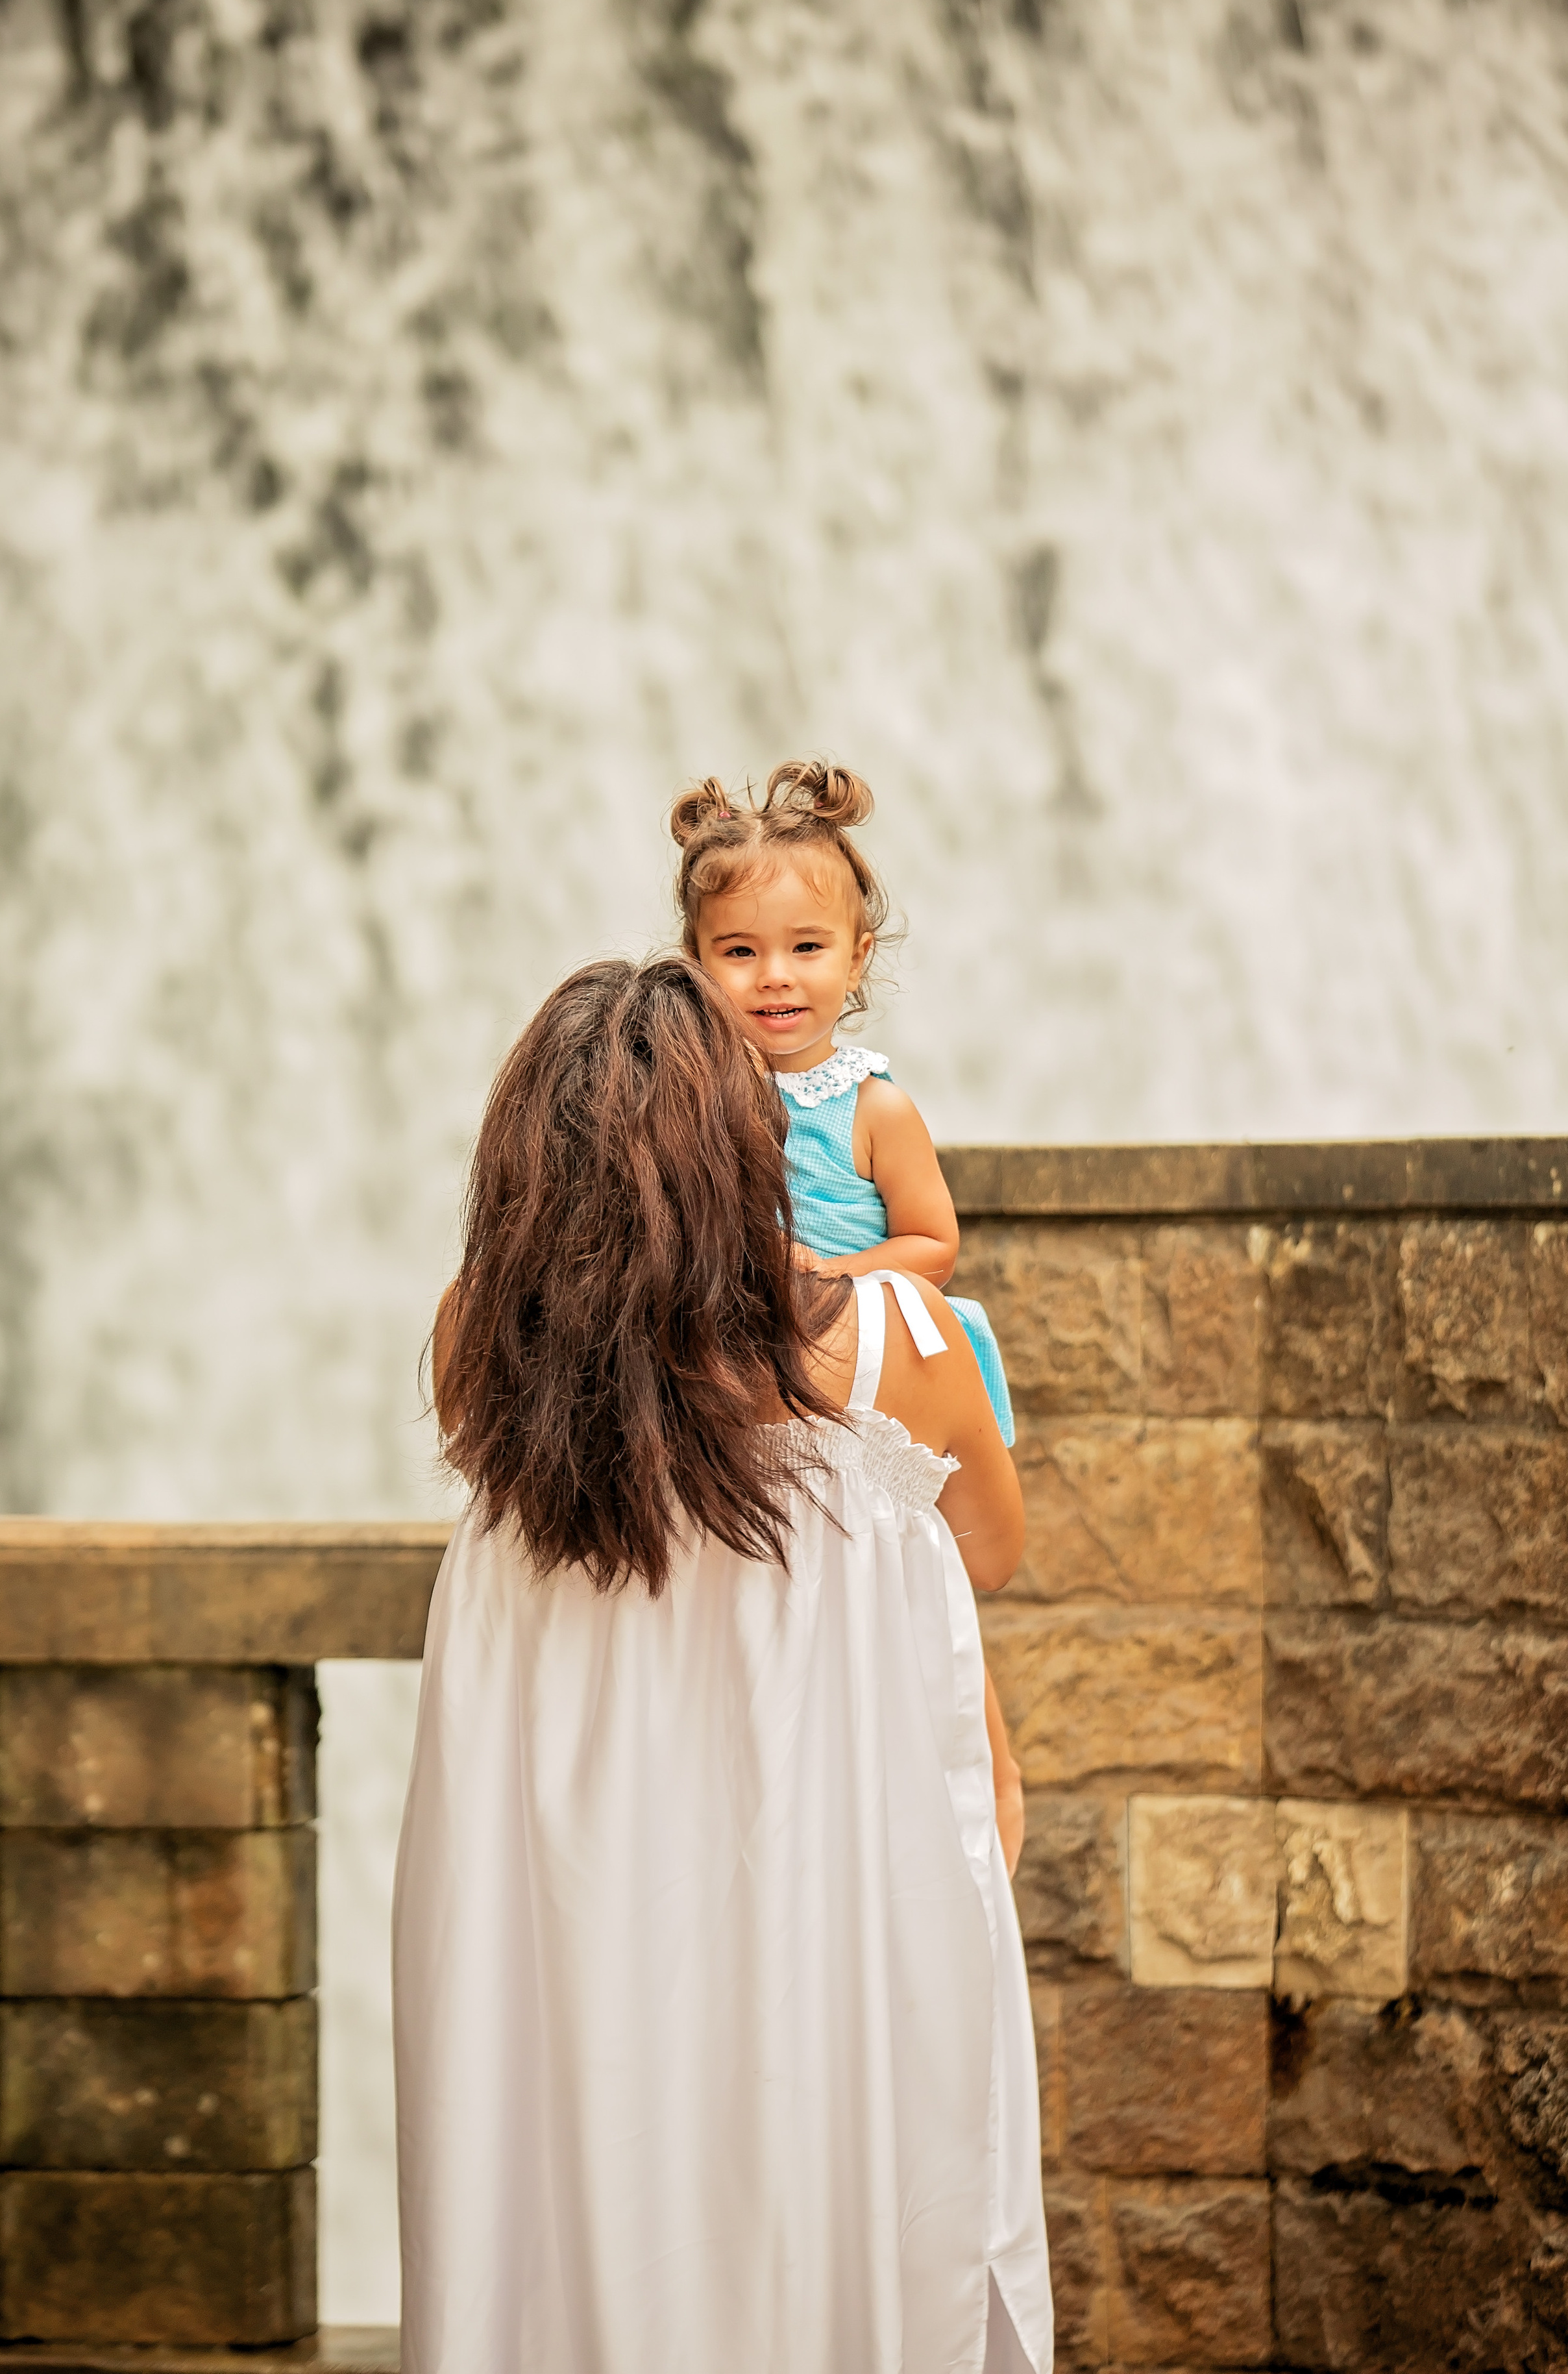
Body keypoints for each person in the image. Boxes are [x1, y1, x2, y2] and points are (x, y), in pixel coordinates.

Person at [393, 955, 1053, 2374]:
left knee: (588, 2180)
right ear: (740, 1149)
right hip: (819, 1886)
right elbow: (989, 1549)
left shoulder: (473, 1349)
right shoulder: (891, 1346)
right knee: (821, 2184)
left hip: (568, 1901)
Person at [668, 760, 1025, 1872]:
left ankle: (982, 1758)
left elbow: (934, 1244)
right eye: (740, 952)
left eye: (806, 949)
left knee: (911, 1562)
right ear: (695, 963)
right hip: (745, 1372)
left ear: (858, 956)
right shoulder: (688, 1097)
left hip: (868, 1365)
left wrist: (837, 1271)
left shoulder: (875, 1107)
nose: (775, 978)